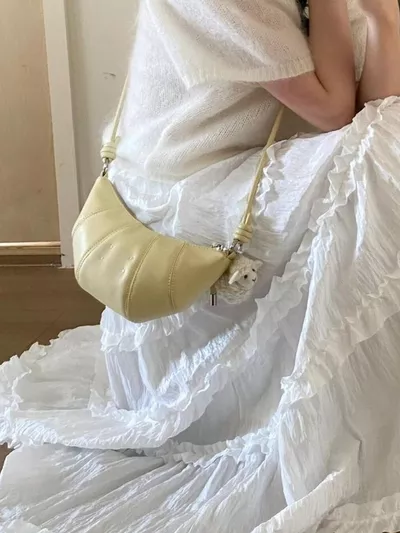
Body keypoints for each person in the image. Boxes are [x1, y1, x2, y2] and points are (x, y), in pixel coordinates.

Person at [2, 1, 400, 532]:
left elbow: (378, 112)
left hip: (231, 164)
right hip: (178, 182)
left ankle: (365, 408)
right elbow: (337, 113)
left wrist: (383, 19)